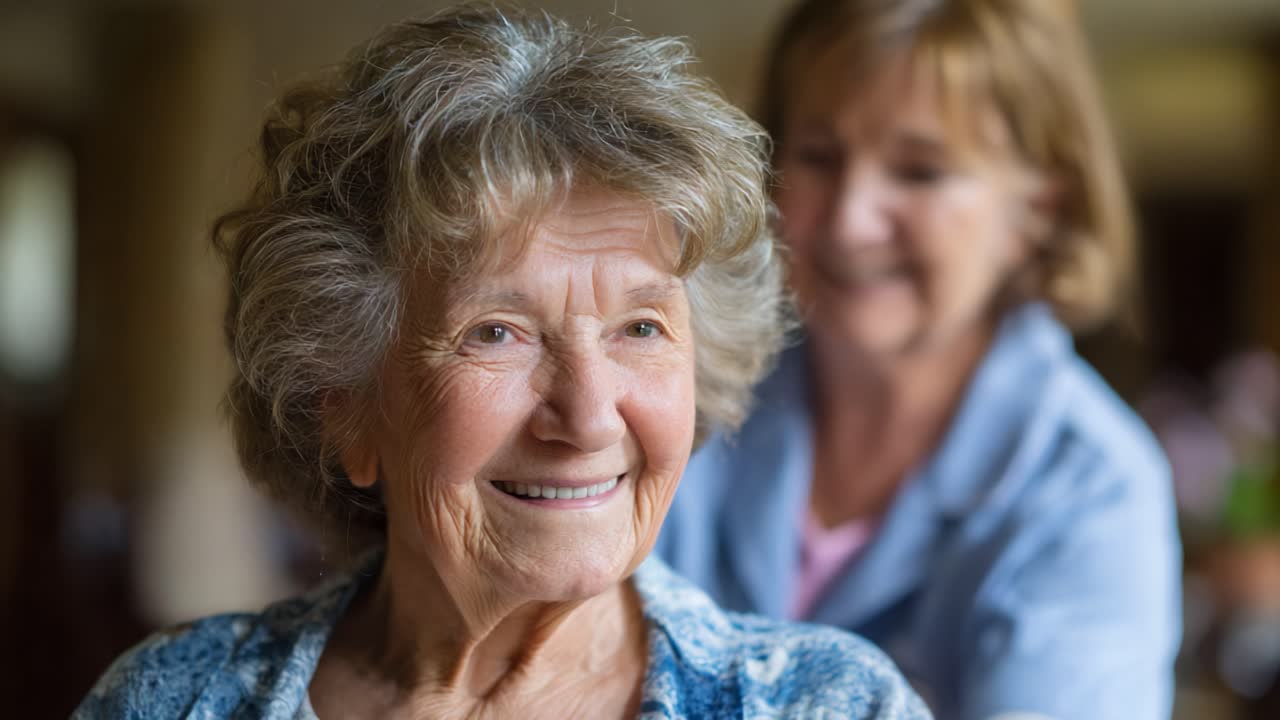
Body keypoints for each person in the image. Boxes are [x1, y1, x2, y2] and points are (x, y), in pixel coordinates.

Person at [73, 7, 932, 719]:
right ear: (343, 403)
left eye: (639, 327)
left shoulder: (831, 704)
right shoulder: (173, 701)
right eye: (496, 333)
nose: (590, 415)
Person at [656, 0, 1182, 717]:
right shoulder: (682, 390)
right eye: (819, 157)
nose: (850, 218)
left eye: (919, 172)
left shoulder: (1091, 487)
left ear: (1040, 211)